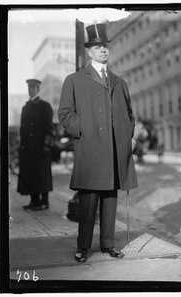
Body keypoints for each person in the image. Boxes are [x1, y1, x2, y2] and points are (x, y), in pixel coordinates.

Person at [58, 23, 138, 263]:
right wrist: (84, 130)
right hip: (90, 150)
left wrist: (125, 135)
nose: (103, 50)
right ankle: (83, 246)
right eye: (97, 46)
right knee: (88, 202)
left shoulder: (119, 82)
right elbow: (64, 115)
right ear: (89, 52)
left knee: (110, 200)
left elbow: (130, 115)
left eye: (105, 46)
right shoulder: (74, 80)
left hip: (114, 150)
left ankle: (108, 245)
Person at [17, 79, 54, 210]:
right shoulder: (25, 107)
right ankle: (34, 201)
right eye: (29, 88)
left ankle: (44, 202)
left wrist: (46, 147)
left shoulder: (45, 106)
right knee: (31, 175)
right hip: (28, 149)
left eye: (33, 88)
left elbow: (50, 130)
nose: (31, 90)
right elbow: (23, 129)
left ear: (38, 89)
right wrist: (21, 146)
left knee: (41, 175)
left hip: (40, 148)